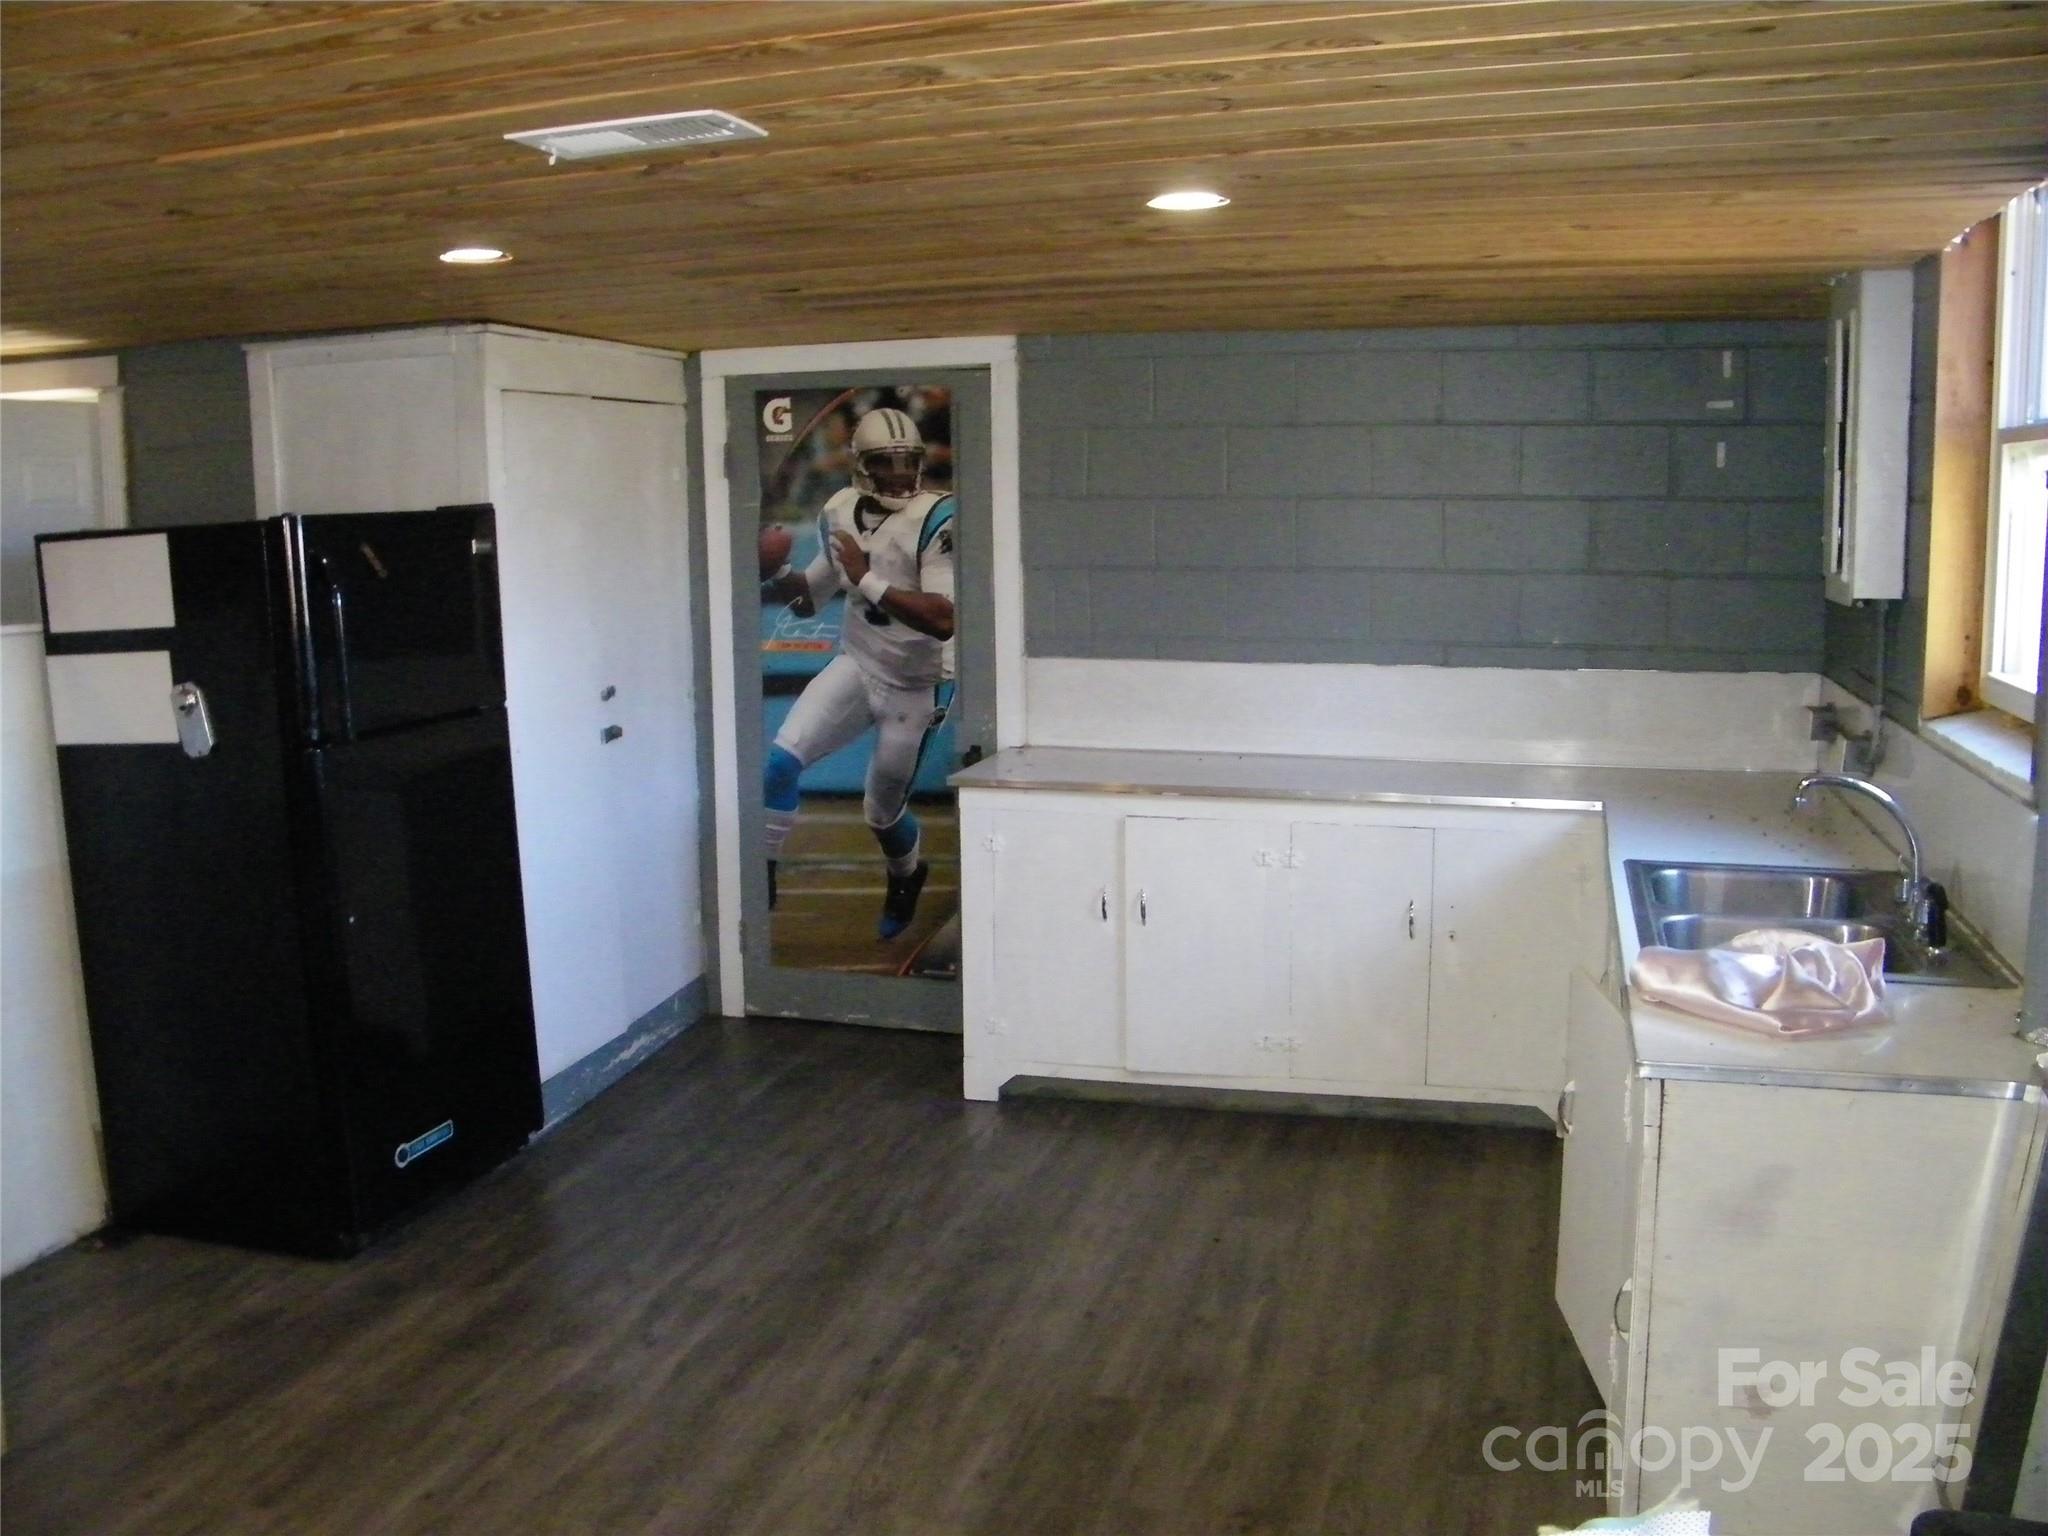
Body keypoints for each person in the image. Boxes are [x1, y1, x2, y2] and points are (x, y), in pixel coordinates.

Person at [759, 405, 955, 940]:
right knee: (778, 764)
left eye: (906, 462)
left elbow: (943, 617)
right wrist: (775, 572)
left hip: (917, 686)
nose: (899, 474)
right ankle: (762, 879)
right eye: (885, 463)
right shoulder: (840, 509)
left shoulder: (939, 519)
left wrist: (866, 579)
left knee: (881, 813)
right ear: (861, 466)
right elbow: (808, 599)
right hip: (858, 660)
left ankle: (907, 875)